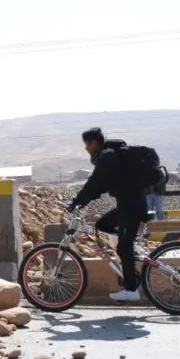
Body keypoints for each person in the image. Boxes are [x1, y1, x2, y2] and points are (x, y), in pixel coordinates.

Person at [67, 127, 148, 302]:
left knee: (123, 247)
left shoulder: (107, 156)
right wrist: (84, 200)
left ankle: (131, 289)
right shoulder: (112, 156)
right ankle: (129, 253)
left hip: (131, 206)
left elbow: (94, 181)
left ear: (94, 143)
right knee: (102, 225)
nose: (86, 148)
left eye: (87, 144)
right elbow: (102, 185)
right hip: (128, 204)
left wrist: (77, 201)